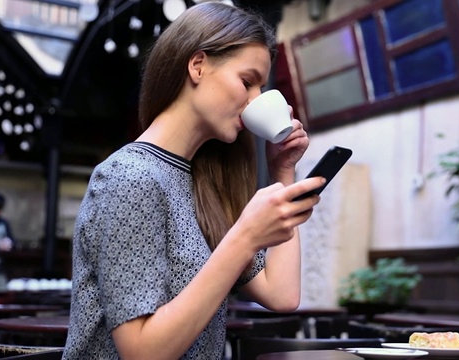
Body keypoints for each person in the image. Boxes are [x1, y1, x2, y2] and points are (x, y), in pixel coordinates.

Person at [63, 2, 325, 360]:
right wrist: (245, 236)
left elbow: (282, 295)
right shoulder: (130, 176)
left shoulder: (202, 181)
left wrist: (282, 172)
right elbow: (142, 353)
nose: (254, 104)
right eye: (247, 82)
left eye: (260, 89)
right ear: (198, 65)